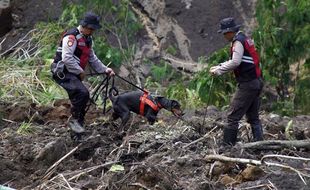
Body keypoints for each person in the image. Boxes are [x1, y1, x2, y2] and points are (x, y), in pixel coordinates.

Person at [51, 12, 115, 134]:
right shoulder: (71, 37)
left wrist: (105, 69)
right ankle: (75, 125)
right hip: (63, 73)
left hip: (73, 73)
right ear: (84, 26)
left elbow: (92, 58)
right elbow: (67, 58)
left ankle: (78, 125)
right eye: (90, 29)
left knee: (83, 96)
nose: (92, 32)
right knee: (82, 93)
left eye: (93, 29)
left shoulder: (88, 39)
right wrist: (80, 72)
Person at [209, 17, 264, 146]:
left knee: (232, 117)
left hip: (247, 84)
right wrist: (219, 66)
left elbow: (235, 62)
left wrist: (219, 71)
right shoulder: (245, 39)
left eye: (224, 33)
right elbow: (241, 59)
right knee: (253, 118)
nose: (224, 36)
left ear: (230, 32)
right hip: (256, 81)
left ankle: (228, 146)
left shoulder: (238, 42)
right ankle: (260, 144)